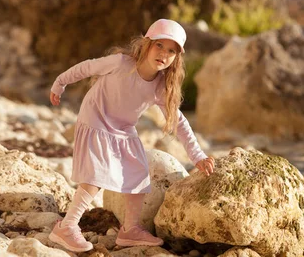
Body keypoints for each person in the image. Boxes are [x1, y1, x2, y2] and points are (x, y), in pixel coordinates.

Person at [47, 19, 215, 252]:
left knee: (138, 172)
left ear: (176, 58)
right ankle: (66, 226)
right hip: (96, 118)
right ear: (147, 44)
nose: (164, 54)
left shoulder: (159, 86)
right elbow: (86, 67)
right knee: (98, 174)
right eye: (159, 46)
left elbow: (180, 122)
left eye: (171, 51)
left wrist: (197, 156)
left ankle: (130, 230)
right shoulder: (120, 63)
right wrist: (59, 83)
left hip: (123, 128)